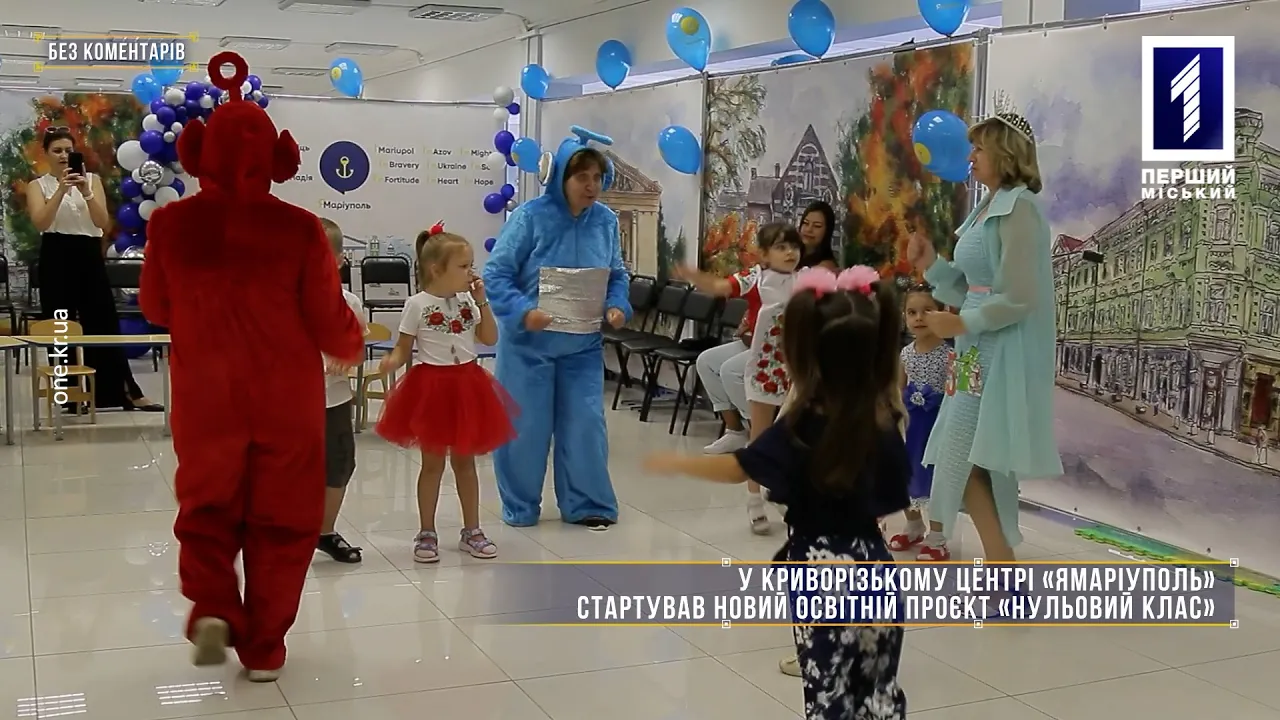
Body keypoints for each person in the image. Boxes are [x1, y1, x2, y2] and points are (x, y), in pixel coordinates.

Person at [140, 52, 365, 682]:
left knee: (206, 507)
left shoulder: (172, 225)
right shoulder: (300, 229)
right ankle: (264, 646)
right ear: (276, 157)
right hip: (285, 397)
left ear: (200, 153)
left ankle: (213, 605)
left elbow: (156, 306)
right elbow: (328, 320)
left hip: (206, 394)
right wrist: (353, 339)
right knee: (284, 520)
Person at [645, 265, 910, 720]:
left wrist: (678, 463)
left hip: (819, 574)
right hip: (875, 567)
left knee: (828, 689)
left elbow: (741, 467)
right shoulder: (885, 419)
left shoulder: (802, 426)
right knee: (877, 687)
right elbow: (893, 488)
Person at [907, 111, 1063, 564]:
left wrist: (962, 324)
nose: (970, 156)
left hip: (998, 351)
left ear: (1004, 153)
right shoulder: (988, 208)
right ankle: (999, 566)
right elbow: (971, 287)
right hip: (972, 351)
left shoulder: (1020, 208)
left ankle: (1001, 569)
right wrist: (932, 265)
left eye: (978, 148)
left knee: (973, 457)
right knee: (961, 454)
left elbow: (1019, 298)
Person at [483, 126, 632, 530]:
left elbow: (617, 274)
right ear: (561, 177)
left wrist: (617, 304)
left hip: (582, 345)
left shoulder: (605, 222)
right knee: (525, 429)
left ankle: (588, 503)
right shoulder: (530, 217)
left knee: (586, 425)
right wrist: (523, 311)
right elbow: (496, 274)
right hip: (529, 346)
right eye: (582, 177)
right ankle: (520, 505)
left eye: (597, 177)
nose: (591, 185)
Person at [377, 225, 516, 561]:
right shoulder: (417, 304)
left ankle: (472, 530)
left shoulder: (469, 300)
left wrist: (482, 301)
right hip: (432, 388)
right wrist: (392, 361)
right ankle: (427, 531)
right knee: (432, 464)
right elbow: (404, 347)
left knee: (465, 463)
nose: (471, 272)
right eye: (464, 266)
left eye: (471, 265)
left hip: (468, 385)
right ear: (436, 269)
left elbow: (489, 338)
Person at [25, 127, 162, 412]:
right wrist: (61, 190)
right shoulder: (38, 186)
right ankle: (70, 395)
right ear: (46, 154)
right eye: (57, 151)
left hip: (88, 254)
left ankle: (122, 391)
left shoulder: (92, 181)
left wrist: (85, 192)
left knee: (103, 323)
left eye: (68, 150)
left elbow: (102, 223)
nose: (63, 156)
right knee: (61, 327)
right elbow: (41, 222)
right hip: (56, 255)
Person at [679, 223, 801, 535]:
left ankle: (783, 493)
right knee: (760, 437)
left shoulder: (805, 280)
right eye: (781, 247)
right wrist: (695, 276)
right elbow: (722, 287)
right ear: (765, 254)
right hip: (766, 368)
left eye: (794, 247)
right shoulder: (756, 278)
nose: (790, 253)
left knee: (793, 437)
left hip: (798, 369)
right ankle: (754, 499)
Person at [315, 217, 367, 564]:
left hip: (334, 399)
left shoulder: (349, 302)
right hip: (290, 401)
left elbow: (358, 348)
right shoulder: (281, 300)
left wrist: (345, 356)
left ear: (338, 260)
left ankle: (325, 531)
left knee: (339, 463)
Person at [888, 284, 951, 561]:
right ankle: (913, 525)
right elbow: (899, 388)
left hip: (937, 426)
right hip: (911, 425)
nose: (919, 318)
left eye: (927, 310)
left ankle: (938, 537)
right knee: (905, 474)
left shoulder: (949, 353)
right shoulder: (906, 353)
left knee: (936, 479)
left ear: (942, 312)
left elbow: (954, 391)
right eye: (911, 312)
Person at [797, 200, 839, 270]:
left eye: (817, 226)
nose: (809, 229)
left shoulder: (825, 266)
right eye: (806, 223)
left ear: (827, 231)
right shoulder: (792, 254)